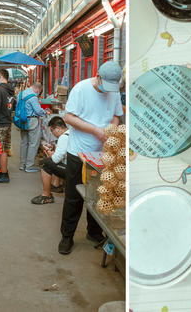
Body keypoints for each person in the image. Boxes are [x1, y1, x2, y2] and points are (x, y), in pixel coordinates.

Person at [58, 61, 122, 255]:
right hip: (79, 152)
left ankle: (94, 232)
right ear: (98, 76)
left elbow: (116, 116)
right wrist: (94, 130)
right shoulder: (81, 89)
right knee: (74, 197)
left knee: (99, 195)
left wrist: (110, 133)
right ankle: (67, 236)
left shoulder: (114, 92)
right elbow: (69, 118)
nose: (107, 91)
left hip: (104, 155)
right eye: (106, 85)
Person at [32, 116, 69, 205]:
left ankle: (46, 195)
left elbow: (55, 159)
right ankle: (57, 185)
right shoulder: (71, 133)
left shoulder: (63, 137)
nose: (53, 134)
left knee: (45, 163)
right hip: (75, 166)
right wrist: (53, 148)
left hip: (71, 170)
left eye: (52, 131)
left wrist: (48, 151)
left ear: (58, 129)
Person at [18, 81, 46, 173]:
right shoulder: (33, 97)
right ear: (37, 89)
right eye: (39, 91)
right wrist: (45, 112)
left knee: (24, 143)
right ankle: (29, 166)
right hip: (32, 121)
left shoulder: (21, 94)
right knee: (33, 144)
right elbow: (38, 111)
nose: (38, 93)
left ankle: (22, 164)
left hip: (22, 121)